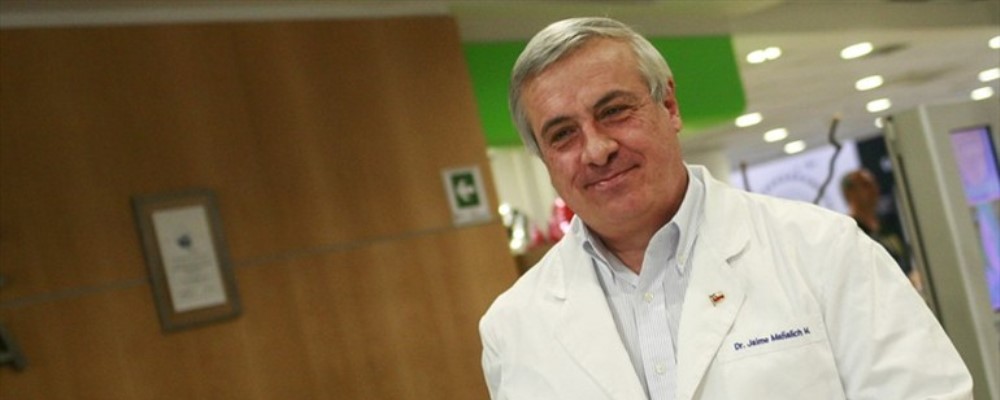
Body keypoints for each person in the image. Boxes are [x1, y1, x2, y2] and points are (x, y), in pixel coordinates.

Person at [479, 17, 972, 400]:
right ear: (544, 158)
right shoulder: (513, 327)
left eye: (613, 111)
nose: (596, 149)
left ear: (669, 106)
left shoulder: (823, 250)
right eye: (562, 134)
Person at [840, 169, 922, 289]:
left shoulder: (887, 225)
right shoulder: (850, 233)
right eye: (866, 185)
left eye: (874, 184)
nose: (874, 189)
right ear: (850, 193)